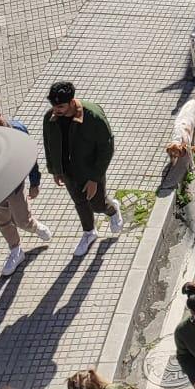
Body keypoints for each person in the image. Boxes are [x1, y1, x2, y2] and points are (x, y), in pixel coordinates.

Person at [42, 80, 121, 260]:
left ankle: (112, 210)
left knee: (97, 204)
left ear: (71, 102)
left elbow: (106, 148)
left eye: (60, 106)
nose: (56, 110)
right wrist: (55, 169)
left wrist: (94, 178)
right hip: (69, 173)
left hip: (90, 170)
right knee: (80, 203)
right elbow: (49, 144)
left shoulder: (92, 116)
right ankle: (89, 232)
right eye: (54, 106)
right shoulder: (50, 118)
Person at [0, 97, 51, 277]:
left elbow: (30, 156)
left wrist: (35, 182)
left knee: (21, 220)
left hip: (13, 183)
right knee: (2, 220)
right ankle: (16, 250)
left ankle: (33, 226)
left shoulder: (16, 130)